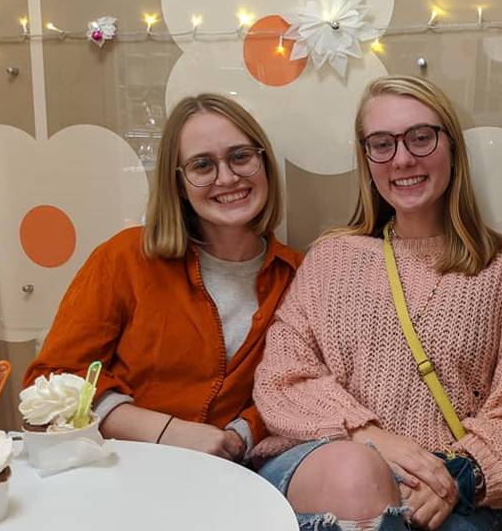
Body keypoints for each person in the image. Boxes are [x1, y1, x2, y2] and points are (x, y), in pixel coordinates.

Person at [251, 75, 502, 531]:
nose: (403, 159)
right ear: (366, 158)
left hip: (446, 506)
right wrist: (373, 440)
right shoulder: (332, 258)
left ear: (451, 146)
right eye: (382, 143)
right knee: (352, 469)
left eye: (421, 137)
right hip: (317, 475)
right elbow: (282, 379)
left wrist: (458, 474)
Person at [23, 93, 300, 460]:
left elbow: (299, 386)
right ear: (179, 184)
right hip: (126, 466)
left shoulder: (299, 276)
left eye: (240, 156)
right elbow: (50, 379)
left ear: (263, 161)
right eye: (203, 165)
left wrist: (238, 436)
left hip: (241, 475)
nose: (228, 177)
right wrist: (168, 432)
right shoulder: (125, 257)